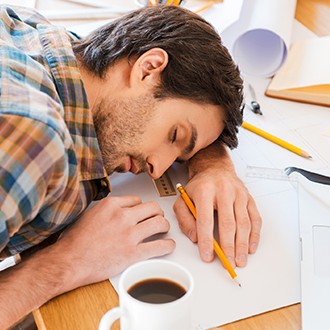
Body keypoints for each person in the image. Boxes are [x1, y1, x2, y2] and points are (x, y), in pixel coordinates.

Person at [0, 4, 262, 328]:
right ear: (148, 69)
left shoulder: (46, 40)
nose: (158, 168)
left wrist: (212, 164)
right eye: (174, 135)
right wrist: (67, 262)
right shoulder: (35, 143)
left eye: (179, 155)